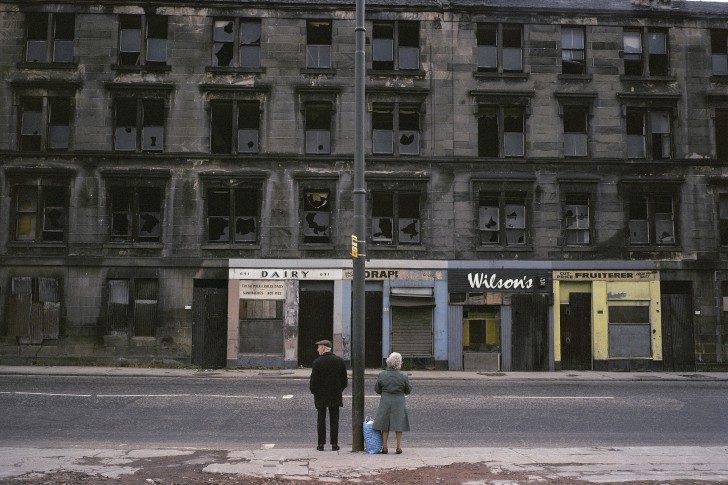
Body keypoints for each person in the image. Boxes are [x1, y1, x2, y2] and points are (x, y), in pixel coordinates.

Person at [309, 339, 348, 451]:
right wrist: (338, 390)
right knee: (334, 419)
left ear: (323, 348)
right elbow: (344, 381)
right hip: (335, 394)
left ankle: (321, 444)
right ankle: (334, 444)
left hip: (320, 395)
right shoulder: (339, 361)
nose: (317, 349)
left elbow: (313, 381)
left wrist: (314, 392)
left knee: (321, 418)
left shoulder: (317, 362)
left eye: (318, 347)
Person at [373, 352, 412, 454]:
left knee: (384, 424)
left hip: (385, 400)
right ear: (398, 363)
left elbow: (377, 389)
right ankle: (398, 447)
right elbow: (408, 390)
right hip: (399, 401)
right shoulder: (403, 375)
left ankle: (385, 447)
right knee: (399, 424)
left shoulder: (382, 374)